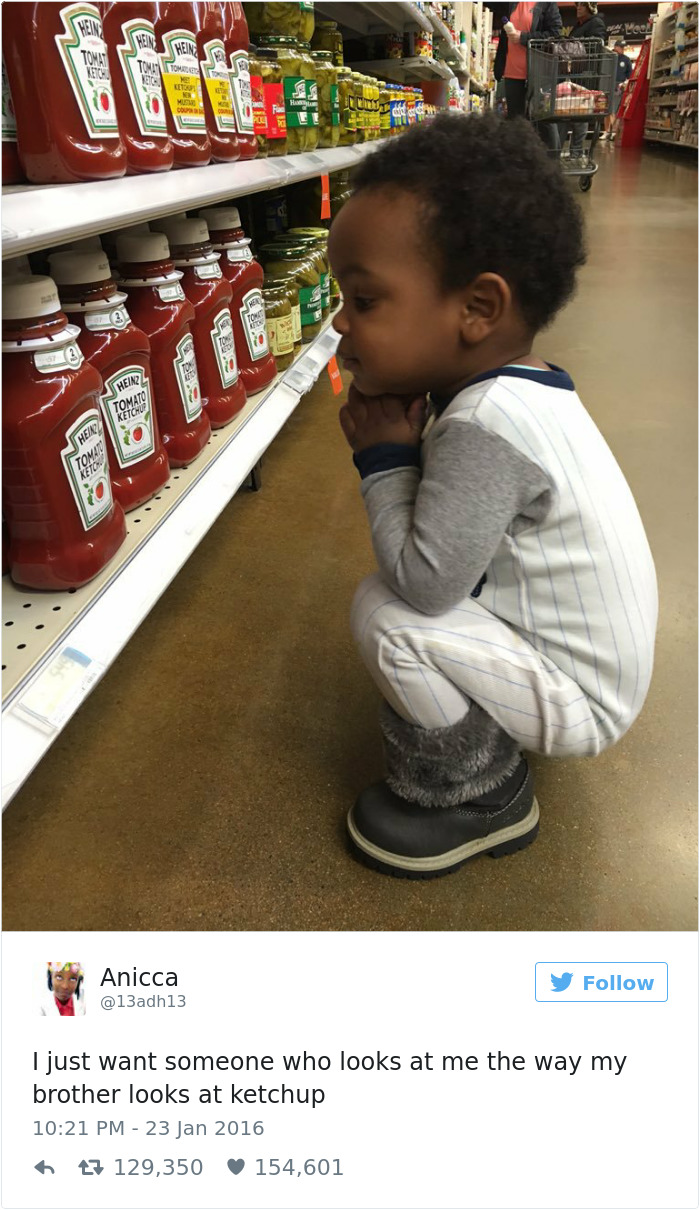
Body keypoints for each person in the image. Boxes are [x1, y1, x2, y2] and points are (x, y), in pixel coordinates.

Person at [328, 113, 657, 880]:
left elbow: (426, 583)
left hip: (584, 701)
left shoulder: (485, 424)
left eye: (365, 301)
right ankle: (490, 748)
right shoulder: (518, 388)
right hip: (582, 666)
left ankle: (480, 793)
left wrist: (383, 459)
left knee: (387, 614)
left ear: (477, 309)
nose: (341, 321)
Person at [494, 2, 562, 151]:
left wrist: (523, 37)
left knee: (544, 120)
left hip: (538, 72)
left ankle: (551, 164)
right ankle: (519, 164)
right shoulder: (511, 3)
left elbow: (555, 33)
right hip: (512, 71)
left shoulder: (547, 4)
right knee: (516, 123)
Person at [562, 2, 608, 159]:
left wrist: (576, 48)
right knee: (571, 113)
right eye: (577, 5)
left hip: (587, 76)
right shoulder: (577, 26)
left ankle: (576, 151)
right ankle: (567, 150)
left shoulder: (596, 23)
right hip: (575, 74)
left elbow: (596, 46)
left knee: (580, 115)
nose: (578, 8)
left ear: (590, 7)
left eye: (582, 5)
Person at [602, 40, 633, 139]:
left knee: (614, 109)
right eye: (620, 47)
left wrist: (624, 84)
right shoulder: (608, 57)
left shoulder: (626, 59)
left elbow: (629, 75)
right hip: (607, 83)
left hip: (618, 86)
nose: (622, 49)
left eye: (623, 48)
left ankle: (613, 131)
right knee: (606, 109)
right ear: (616, 47)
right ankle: (606, 131)